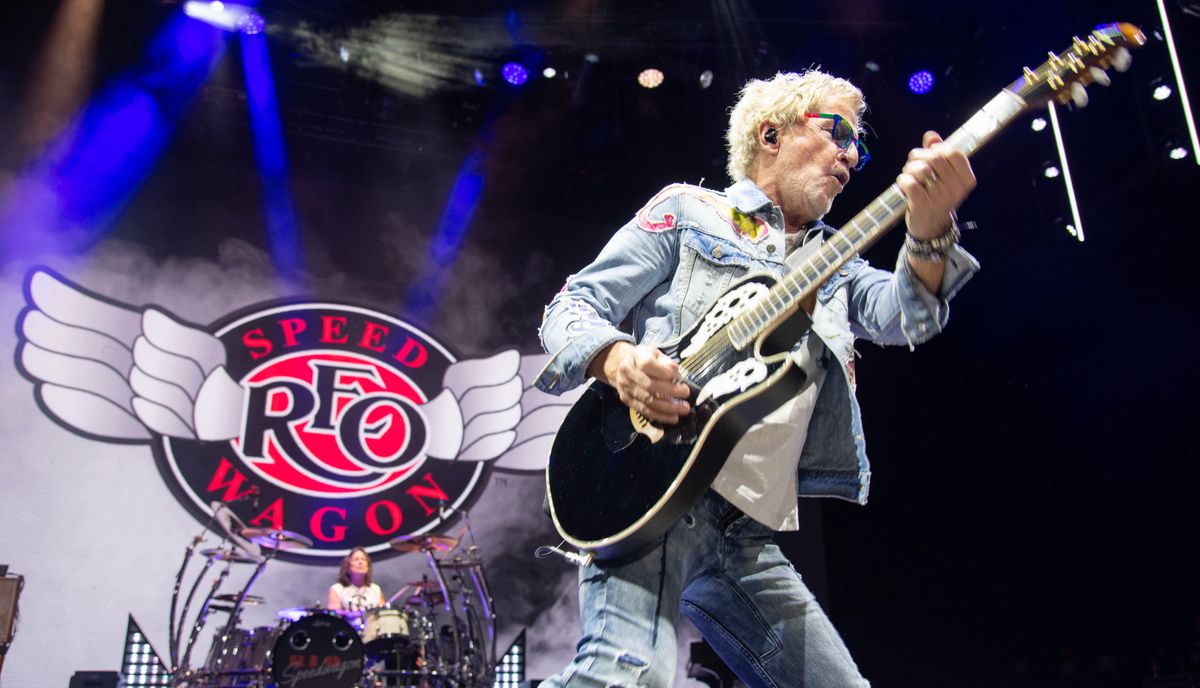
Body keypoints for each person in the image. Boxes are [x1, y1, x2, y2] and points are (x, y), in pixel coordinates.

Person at [534, 69, 980, 687]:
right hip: (649, 488)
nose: (852, 155)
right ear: (771, 133)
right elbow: (570, 306)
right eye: (839, 131)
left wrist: (930, 232)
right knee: (627, 681)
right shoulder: (689, 212)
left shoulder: (836, 263)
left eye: (862, 146)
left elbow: (909, 315)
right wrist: (617, 361)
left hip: (748, 532)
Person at [328, 546, 385, 614]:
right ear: (348, 566)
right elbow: (334, 616)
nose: (360, 562)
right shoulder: (337, 589)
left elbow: (382, 615)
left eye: (363, 559)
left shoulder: (376, 589)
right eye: (356, 559)